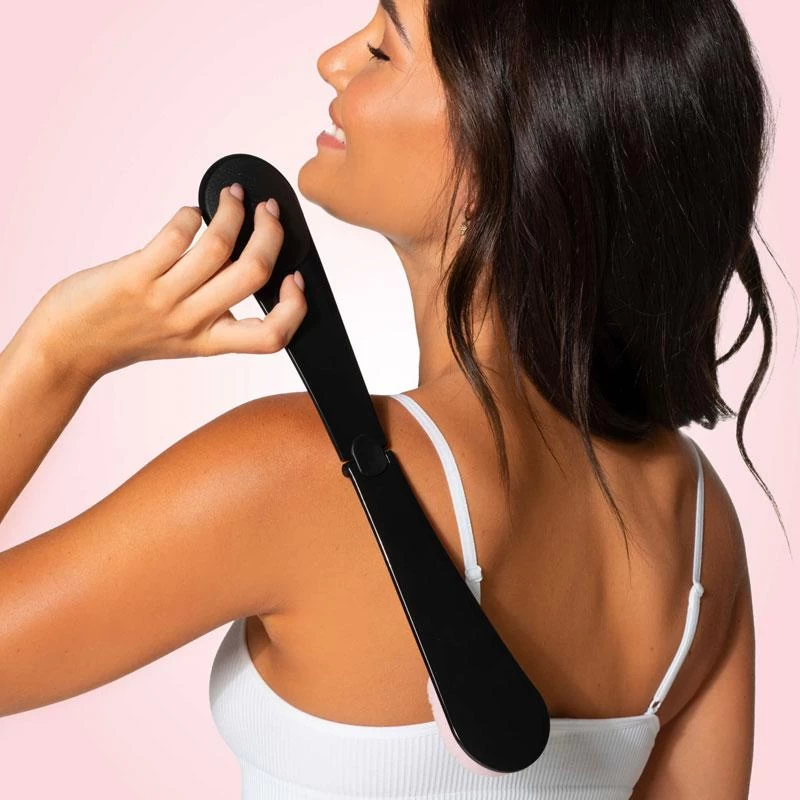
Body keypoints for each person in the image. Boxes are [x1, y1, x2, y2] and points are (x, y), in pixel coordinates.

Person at [0, 1, 782, 797]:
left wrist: (59, 353)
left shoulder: (300, 475)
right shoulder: (696, 525)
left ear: (500, 153)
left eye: (382, 49)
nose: (333, 61)